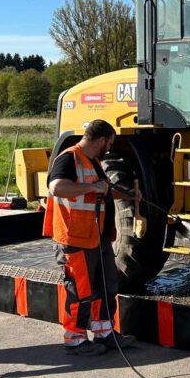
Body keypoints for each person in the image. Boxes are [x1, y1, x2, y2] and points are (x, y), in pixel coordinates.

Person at [44, 119, 139, 356]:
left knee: (106, 287)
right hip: (75, 238)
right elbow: (56, 187)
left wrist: (126, 194)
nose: (110, 147)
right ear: (101, 140)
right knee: (80, 291)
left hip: (97, 237)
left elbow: (102, 189)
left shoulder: (93, 162)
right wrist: (92, 188)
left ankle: (104, 332)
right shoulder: (69, 158)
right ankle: (75, 339)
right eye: (110, 142)